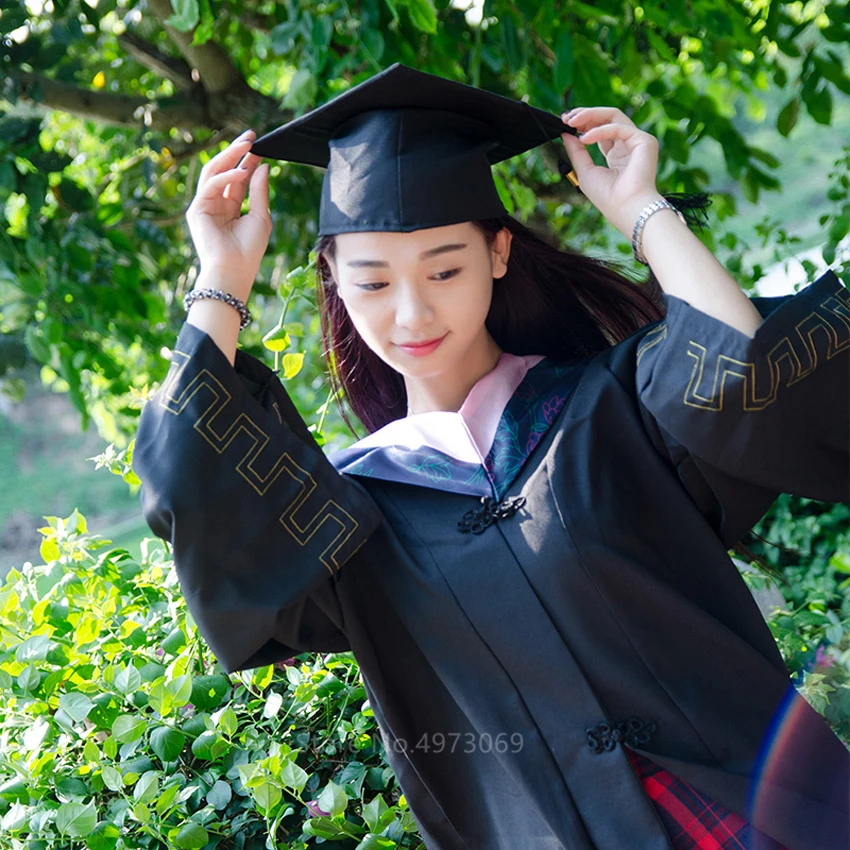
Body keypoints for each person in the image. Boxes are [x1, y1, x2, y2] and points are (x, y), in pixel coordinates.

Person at [133, 64, 850, 850]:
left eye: (445, 269)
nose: (413, 313)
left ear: (499, 253)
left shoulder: (615, 407)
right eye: (372, 283)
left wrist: (646, 214)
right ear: (334, 280)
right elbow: (197, 502)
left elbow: (755, 380)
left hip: (766, 818)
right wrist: (222, 280)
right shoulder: (355, 518)